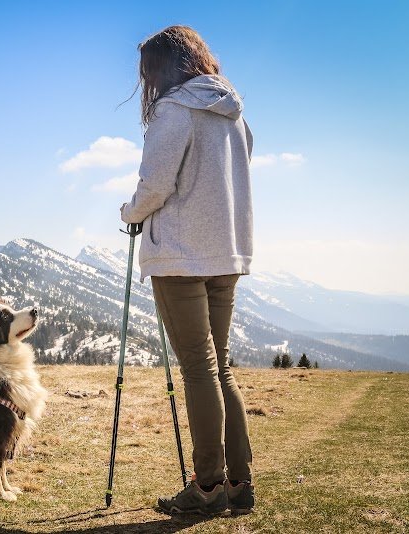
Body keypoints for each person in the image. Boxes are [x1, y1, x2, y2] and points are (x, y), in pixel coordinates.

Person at [120, 25, 255, 517]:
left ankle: (207, 487)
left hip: (180, 255)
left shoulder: (173, 110)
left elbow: (156, 184)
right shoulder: (234, 113)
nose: (148, 81)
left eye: (149, 71)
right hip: (227, 251)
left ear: (164, 67)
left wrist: (130, 212)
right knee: (220, 367)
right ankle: (239, 484)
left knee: (199, 369)